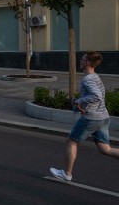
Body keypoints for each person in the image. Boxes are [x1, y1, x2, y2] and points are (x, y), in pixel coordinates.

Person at [50, 51, 119, 181]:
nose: (80, 61)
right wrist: (82, 104)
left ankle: (66, 174)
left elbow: (96, 96)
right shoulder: (95, 77)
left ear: (86, 62)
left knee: (71, 141)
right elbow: (97, 97)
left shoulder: (88, 79)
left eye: (82, 59)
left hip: (92, 118)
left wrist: (79, 101)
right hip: (103, 117)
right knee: (105, 148)